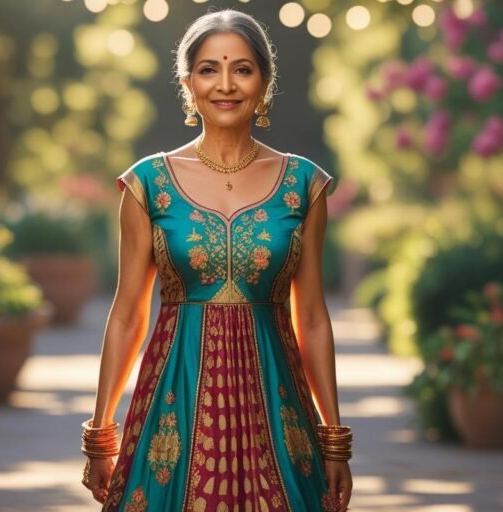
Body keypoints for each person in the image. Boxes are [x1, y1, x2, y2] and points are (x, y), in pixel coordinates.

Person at [81, 9, 352, 511]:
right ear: (187, 83)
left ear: (265, 84)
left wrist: (334, 438)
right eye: (209, 69)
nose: (225, 84)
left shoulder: (302, 184)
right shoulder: (149, 184)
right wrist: (101, 430)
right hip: (174, 405)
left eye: (242, 69)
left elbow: (312, 318)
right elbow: (126, 315)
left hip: (275, 406)